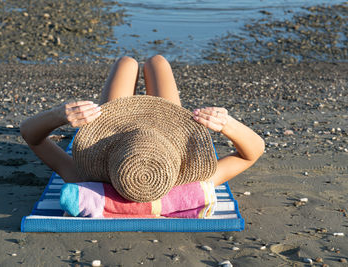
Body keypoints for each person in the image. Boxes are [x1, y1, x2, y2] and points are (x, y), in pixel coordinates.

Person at [20, 55, 265, 190]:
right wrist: (226, 124)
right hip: (157, 138)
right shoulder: (191, 181)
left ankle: (134, 64)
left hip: (129, 134)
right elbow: (253, 152)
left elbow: (30, 133)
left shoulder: (86, 176)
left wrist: (60, 115)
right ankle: (150, 63)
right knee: (157, 62)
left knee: (126, 63)